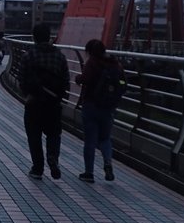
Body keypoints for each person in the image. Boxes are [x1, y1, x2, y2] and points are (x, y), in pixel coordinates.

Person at [19, 23, 69, 179]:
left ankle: (37, 168)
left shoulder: (29, 55)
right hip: (54, 103)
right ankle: (53, 157)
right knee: (54, 133)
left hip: (34, 102)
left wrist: (28, 94)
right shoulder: (60, 56)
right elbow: (66, 80)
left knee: (34, 135)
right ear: (49, 37)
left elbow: (22, 79)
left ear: (34, 37)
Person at [75, 38, 121, 182]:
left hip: (91, 106)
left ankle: (89, 173)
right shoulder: (115, 64)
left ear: (89, 51)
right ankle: (107, 162)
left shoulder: (92, 63)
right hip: (108, 107)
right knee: (105, 138)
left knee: (90, 140)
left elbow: (85, 79)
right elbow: (122, 83)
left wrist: (78, 78)